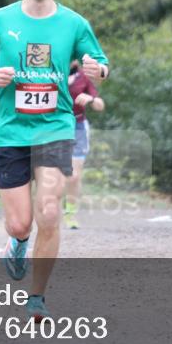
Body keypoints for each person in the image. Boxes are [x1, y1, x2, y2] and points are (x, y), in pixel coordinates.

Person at [0, 0, 109, 321]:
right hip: (10, 130)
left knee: (50, 211)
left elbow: (99, 62)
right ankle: (17, 242)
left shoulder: (74, 23)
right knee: (20, 223)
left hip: (55, 128)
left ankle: (37, 297)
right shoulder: (0, 19)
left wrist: (98, 70)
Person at [63, 59, 105, 230]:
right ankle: (46, 211)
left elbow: (100, 105)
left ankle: (70, 213)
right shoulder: (51, 73)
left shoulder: (83, 77)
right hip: (53, 127)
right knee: (48, 174)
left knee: (74, 176)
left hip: (78, 127)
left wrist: (90, 98)